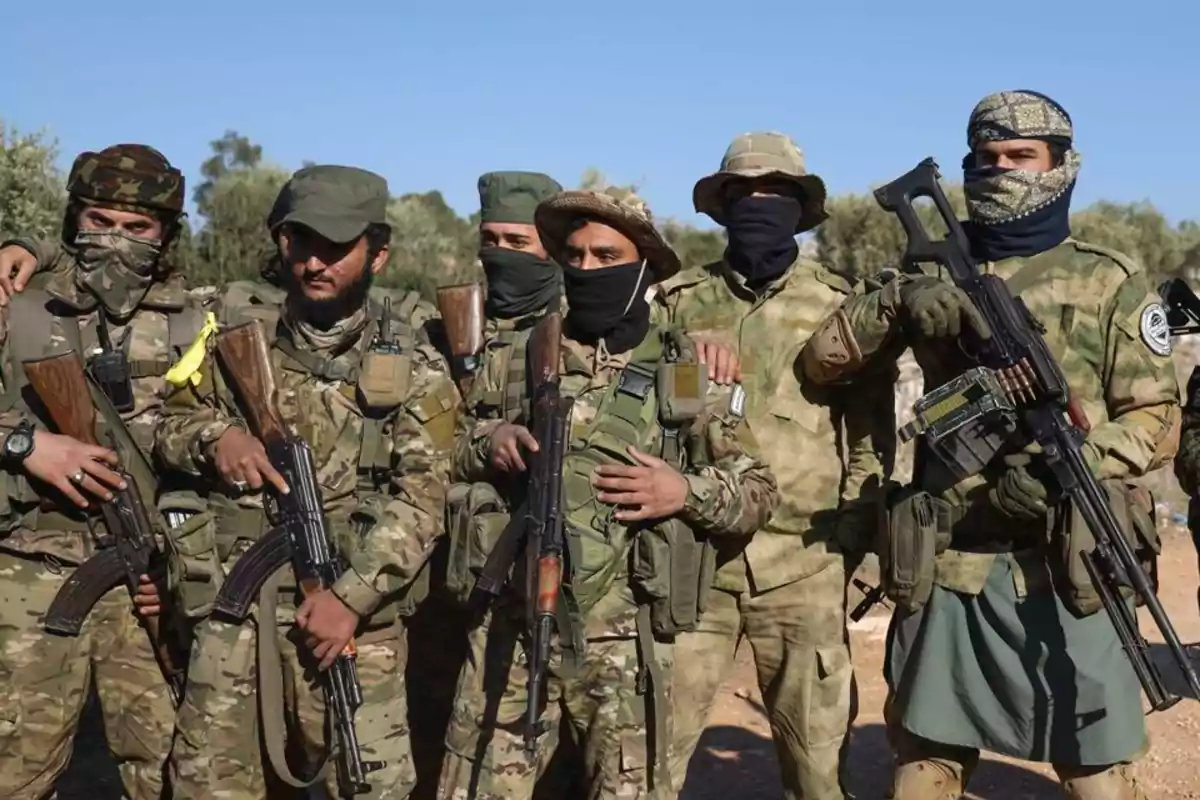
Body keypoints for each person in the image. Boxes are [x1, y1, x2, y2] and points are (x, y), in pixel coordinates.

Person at [801, 90, 1177, 800]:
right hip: (949, 558)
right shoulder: (927, 273)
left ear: (1062, 166)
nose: (1002, 170)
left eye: (1022, 156)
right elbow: (821, 360)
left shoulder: (1112, 280)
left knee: (1097, 770)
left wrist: (1076, 465)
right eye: (987, 158)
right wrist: (896, 302)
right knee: (924, 766)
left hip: (1072, 558)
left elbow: (1156, 416)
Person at [437, 187, 779, 799]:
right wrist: (491, 442)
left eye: (606, 255)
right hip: (509, 634)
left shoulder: (686, 371)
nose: (587, 269)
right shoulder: (517, 357)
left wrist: (683, 491)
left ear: (645, 263)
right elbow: (447, 456)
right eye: (576, 255)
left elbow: (756, 490)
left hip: (625, 650)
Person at [155, 164, 460, 799]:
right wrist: (217, 439)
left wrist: (349, 597)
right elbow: (166, 424)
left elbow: (421, 499)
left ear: (379, 254)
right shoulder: (225, 336)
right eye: (300, 243)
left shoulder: (414, 365)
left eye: (336, 247)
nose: (314, 263)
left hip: (350, 620)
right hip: (235, 610)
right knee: (210, 785)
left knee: (369, 784)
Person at [653, 131, 894, 799]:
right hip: (695, 562)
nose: (759, 206)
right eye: (745, 194)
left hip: (804, 567)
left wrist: (852, 533)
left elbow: (872, 434)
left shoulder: (838, 306)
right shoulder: (679, 303)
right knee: (654, 755)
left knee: (818, 767)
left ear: (797, 205)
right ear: (723, 205)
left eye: (775, 194)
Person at [0, 143, 198, 799]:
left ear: (165, 234)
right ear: (74, 220)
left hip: (152, 581)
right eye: (99, 223)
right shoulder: (15, 305)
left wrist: (176, 568)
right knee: (17, 771)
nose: (115, 242)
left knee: (170, 768)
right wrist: (30, 445)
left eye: (137, 228)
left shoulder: (198, 322)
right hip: (29, 575)